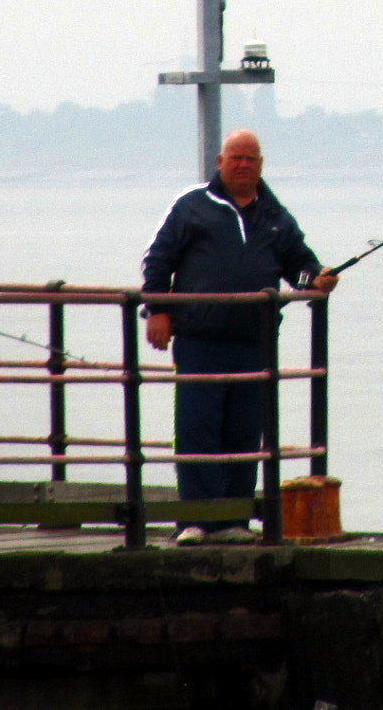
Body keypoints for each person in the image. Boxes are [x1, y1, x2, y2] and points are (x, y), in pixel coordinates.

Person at [142, 130, 336, 546]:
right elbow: (157, 259)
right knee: (197, 430)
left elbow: (299, 266)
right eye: (236, 158)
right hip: (199, 339)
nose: (243, 165)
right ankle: (194, 519)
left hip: (255, 343)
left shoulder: (276, 217)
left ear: (260, 164)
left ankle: (234, 520)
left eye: (250, 158)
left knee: (246, 434)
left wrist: (316, 278)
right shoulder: (191, 206)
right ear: (220, 162)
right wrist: (157, 310)